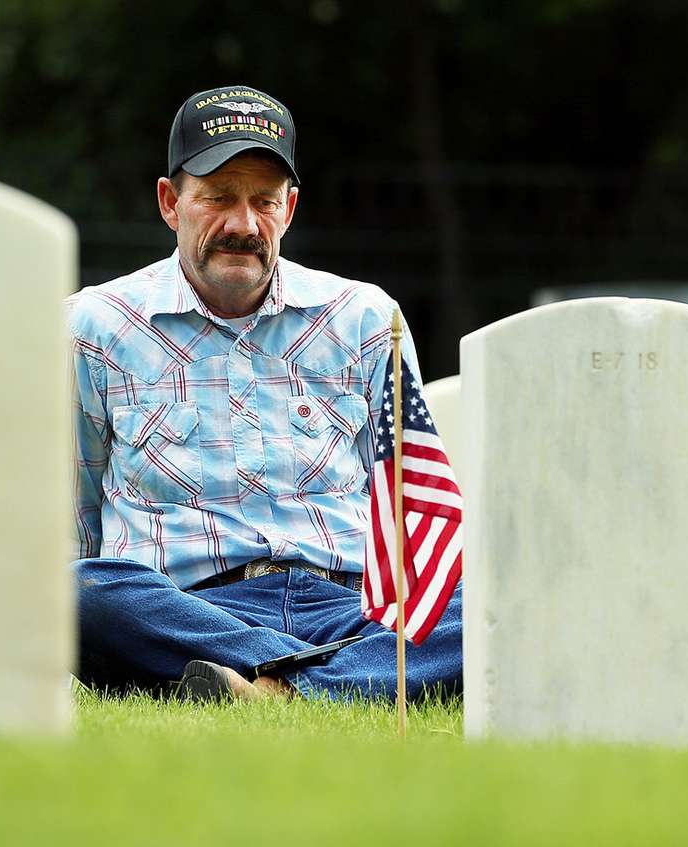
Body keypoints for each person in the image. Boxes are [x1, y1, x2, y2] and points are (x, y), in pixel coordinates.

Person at [67, 84, 462, 702]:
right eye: (218, 198)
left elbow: (409, 504)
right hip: (187, 611)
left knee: (500, 601)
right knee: (77, 591)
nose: (243, 225)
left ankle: (282, 689)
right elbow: (77, 514)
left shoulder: (363, 317)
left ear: (291, 208)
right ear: (171, 203)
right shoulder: (94, 327)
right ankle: (352, 680)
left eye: (263, 202)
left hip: (351, 607)